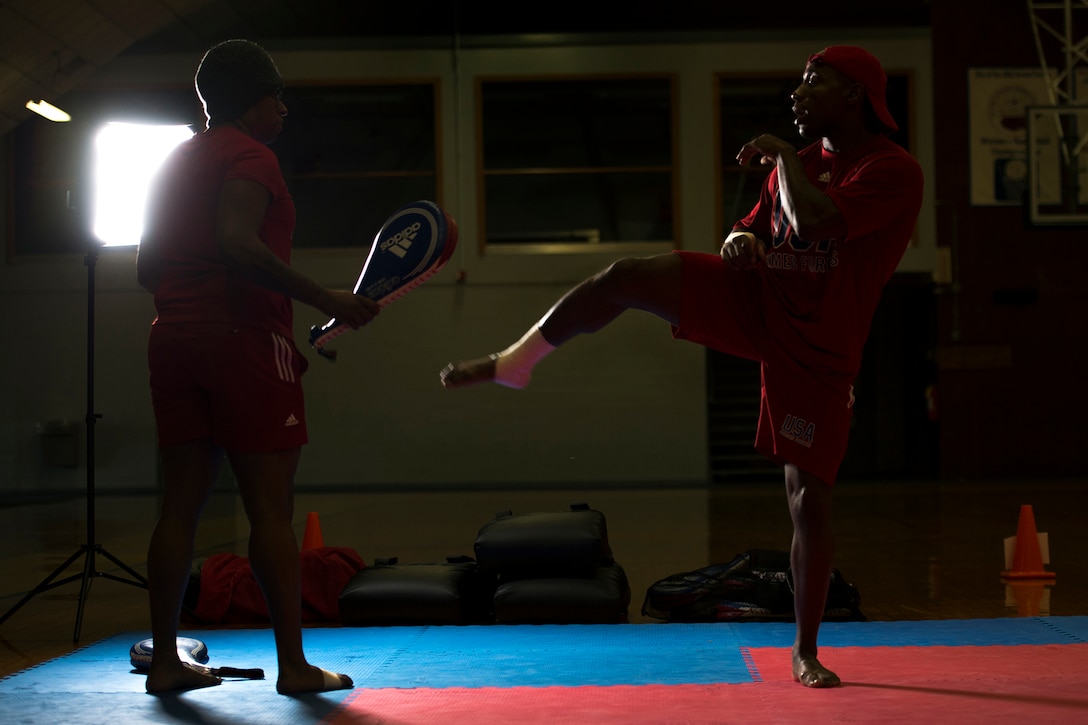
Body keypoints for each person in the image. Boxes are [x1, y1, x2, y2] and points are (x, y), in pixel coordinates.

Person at [439, 46, 923, 688]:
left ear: (856, 95)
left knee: (808, 502)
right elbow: (751, 228)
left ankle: (805, 649)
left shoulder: (893, 170)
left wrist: (779, 154)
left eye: (814, 82)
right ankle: (515, 361)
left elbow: (820, 220)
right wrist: (741, 240)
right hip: (760, 301)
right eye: (799, 83)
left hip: (821, 346)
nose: (798, 94)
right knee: (627, 276)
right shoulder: (795, 165)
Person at [136, 39, 379, 694]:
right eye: (277, 94)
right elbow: (237, 242)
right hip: (243, 339)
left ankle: (164, 663)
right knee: (271, 507)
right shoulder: (251, 155)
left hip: (172, 338)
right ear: (252, 99)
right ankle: (294, 668)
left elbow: (144, 269)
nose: (284, 107)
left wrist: (192, 304)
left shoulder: (174, 162)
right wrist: (328, 298)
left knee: (178, 506)